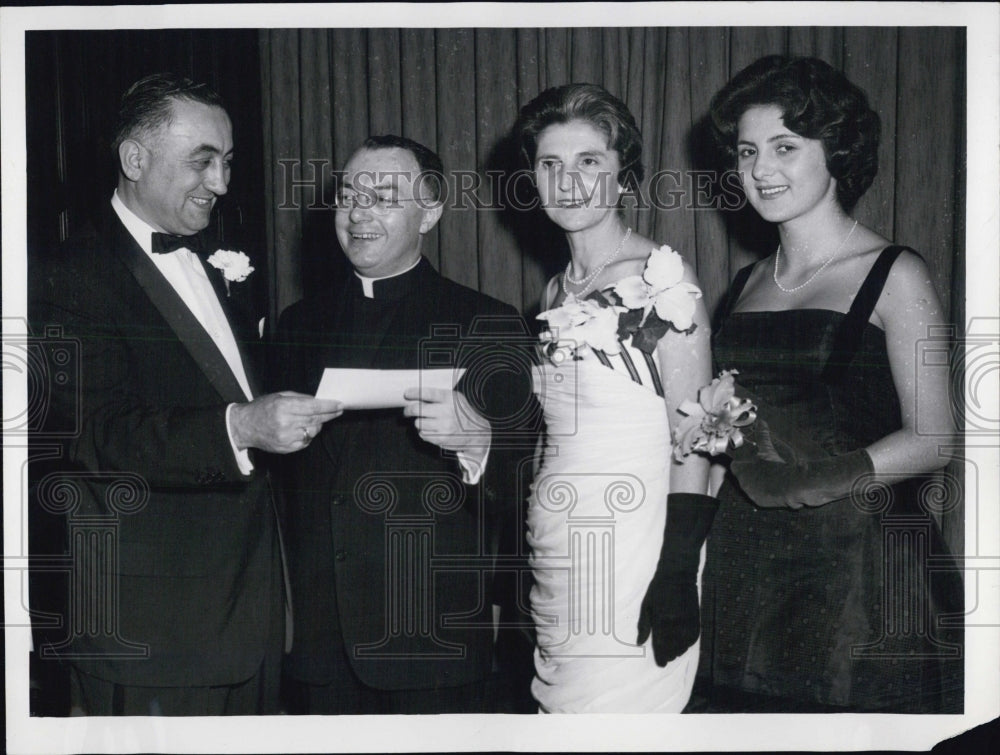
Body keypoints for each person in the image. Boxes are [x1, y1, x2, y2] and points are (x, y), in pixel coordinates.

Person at [28, 73, 343, 716]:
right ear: (134, 159)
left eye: (227, 162)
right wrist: (239, 429)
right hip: (153, 633)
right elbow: (93, 432)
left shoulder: (222, 263)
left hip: (251, 616)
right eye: (203, 161)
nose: (222, 183)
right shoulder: (65, 277)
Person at [695, 55, 963, 713]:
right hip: (749, 569)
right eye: (747, 150)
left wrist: (806, 484)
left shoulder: (894, 272)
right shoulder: (748, 281)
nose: (760, 169)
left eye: (785, 146)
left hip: (859, 573)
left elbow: (934, 439)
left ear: (836, 151)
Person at [272, 135, 536, 714]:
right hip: (318, 648)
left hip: (431, 640)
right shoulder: (294, 325)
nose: (360, 212)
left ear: (432, 212)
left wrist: (481, 444)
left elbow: (528, 482)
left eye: (385, 196)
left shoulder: (485, 323)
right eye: (349, 195)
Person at [514, 83, 714, 713]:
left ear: (624, 176)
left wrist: (678, 568)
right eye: (550, 165)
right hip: (560, 546)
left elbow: (699, 432)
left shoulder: (663, 281)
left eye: (589, 163)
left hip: (636, 547)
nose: (567, 181)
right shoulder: (553, 292)